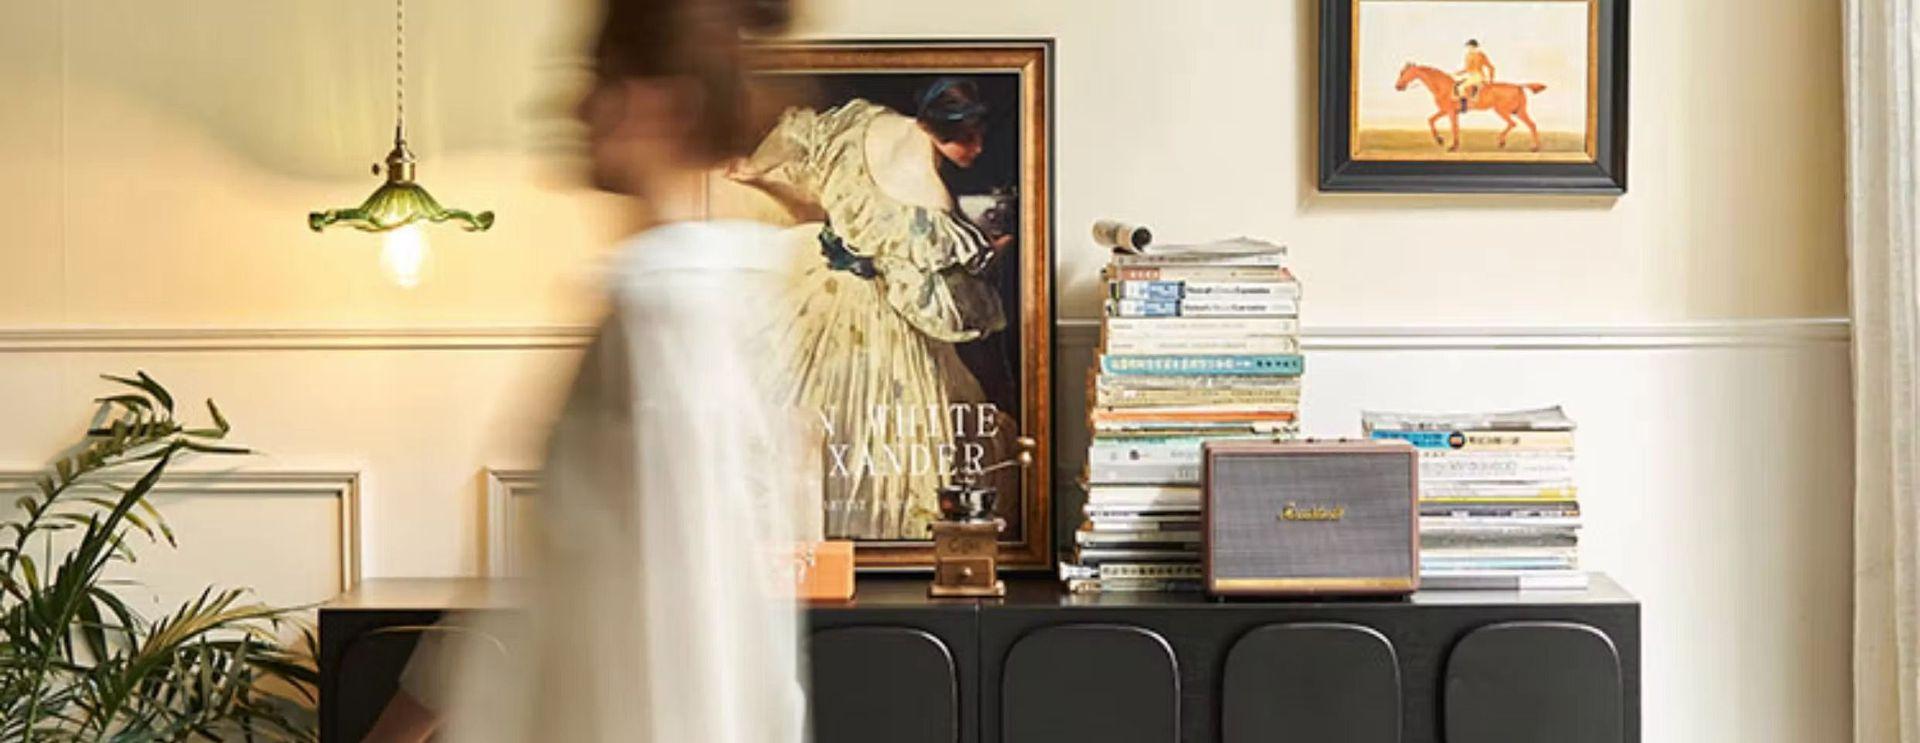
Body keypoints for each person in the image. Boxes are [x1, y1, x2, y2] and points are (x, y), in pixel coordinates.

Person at [432, 0, 814, 741]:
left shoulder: (667, 308)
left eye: (603, 78)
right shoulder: (686, 292)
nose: (574, 106)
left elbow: (689, 628)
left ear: (671, 103)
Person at [728, 78, 1017, 541]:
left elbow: (798, 133)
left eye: (980, 136)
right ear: (941, 129)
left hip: (814, 274)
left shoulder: (864, 121)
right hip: (868, 309)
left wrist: (753, 167)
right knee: (876, 422)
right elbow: (930, 301)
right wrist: (989, 259)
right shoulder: (928, 198)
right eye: (968, 138)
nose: (977, 149)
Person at [1454, 39, 1497, 112]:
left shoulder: (1481, 55)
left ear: (1475, 47)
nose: (1469, 49)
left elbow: (1491, 67)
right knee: (1455, 83)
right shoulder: (1468, 55)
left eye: (1471, 47)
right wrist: (1458, 73)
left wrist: (1491, 79)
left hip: (1478, 75)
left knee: (1461, 87)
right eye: (1468, 47)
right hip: (1469, 75)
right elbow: (1467, 68)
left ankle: (1464, 107)